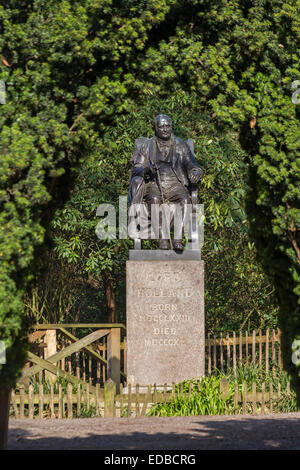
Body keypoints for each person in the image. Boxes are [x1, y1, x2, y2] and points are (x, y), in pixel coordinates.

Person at [129, 114, 203, 250]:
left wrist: (196, 172)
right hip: (153, 183)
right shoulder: (146, 146)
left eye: (168, 126)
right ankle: (163, 238)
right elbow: (136, 169)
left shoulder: (181, 145)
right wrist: (146, 170)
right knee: (155, 199)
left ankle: (178, 240)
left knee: (186, 200)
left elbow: (192, 164)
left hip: (175, 183)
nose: (165, 129)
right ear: (155, 128)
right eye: (161, 127)